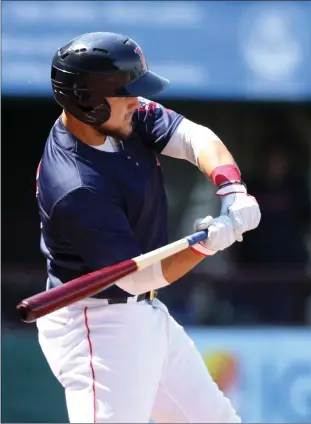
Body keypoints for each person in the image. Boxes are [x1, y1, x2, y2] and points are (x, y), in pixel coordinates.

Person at [35, 32, 261, 423]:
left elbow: (193, 137)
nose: (138, 102)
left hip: (145, 316)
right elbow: (136, 277)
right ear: (88, 101)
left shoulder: (121, 118)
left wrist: (231, 187)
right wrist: (208, 245)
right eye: (127, 93)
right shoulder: (74, 185)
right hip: (96, 327)